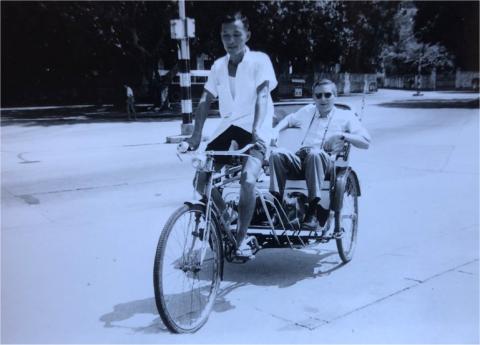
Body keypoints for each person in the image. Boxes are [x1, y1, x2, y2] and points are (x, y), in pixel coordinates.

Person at [184, 11, 277, 259]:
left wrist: (257, 129)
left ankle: (243, 238)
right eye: (226, 35)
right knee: (200, 181)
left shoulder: (260, 60)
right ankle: (227, 214)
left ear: (248, 35)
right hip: (229, 126)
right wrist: (196, 136)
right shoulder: (217, 66)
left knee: (247, 180)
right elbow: (205, 100)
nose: (231, 40)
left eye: (236, 34)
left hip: (258, 127)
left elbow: (263, 96)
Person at [269, 79, 371, 230]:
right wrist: (275, 131)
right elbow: (289, 120)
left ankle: (312, 212)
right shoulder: (308, 111)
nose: (323, 99)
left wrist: (342, 135)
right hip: (302, 158)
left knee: (315, 154)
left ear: (335, 96)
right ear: (314, 98)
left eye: (327, 95)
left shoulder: (346, 116)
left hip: (327, 162)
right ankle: (276, 207)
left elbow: (365, 142)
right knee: (277, 154)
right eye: (319, 95)